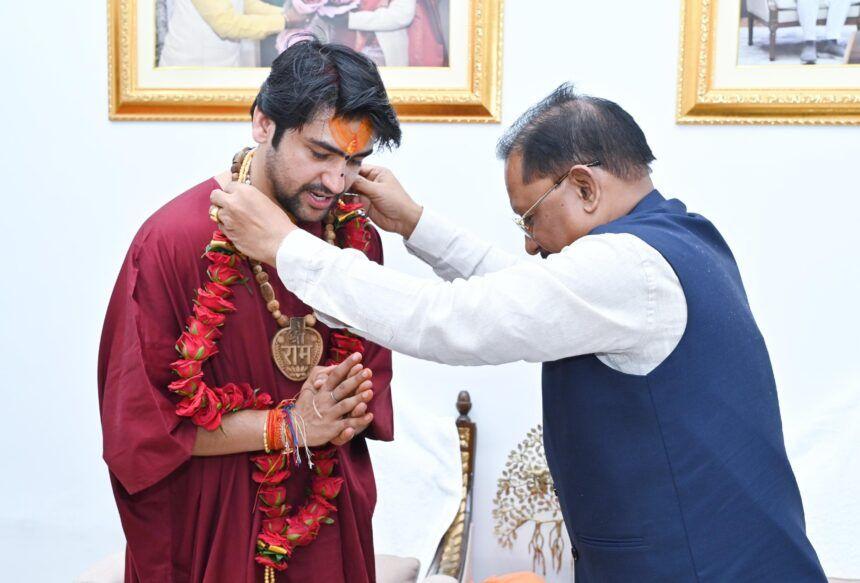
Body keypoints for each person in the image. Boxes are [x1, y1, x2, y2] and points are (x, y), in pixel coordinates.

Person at [211, 84, 828, 582]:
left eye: (530, 219)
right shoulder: (673, 240)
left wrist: (287, 247)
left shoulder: (627, 268)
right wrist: (416, 225)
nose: (529, 243)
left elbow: (452, 320)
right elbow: (526, 294)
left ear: (584, 186)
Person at [99, 40, 401, 582]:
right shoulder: (173, 242)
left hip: (327, 519)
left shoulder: (356, 240)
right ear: (263, 123)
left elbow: (369, 389)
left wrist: (345, 411)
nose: (335, 182)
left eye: (353, 161)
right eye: (319, 153)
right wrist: (287, 426)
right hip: (213, 524)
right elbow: (140, 433)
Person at [159, 0, 311, 67]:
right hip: (189, 68)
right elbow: (227, 25)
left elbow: (246, 4)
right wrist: (285, 20)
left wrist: (287, 13)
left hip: (223, 63)